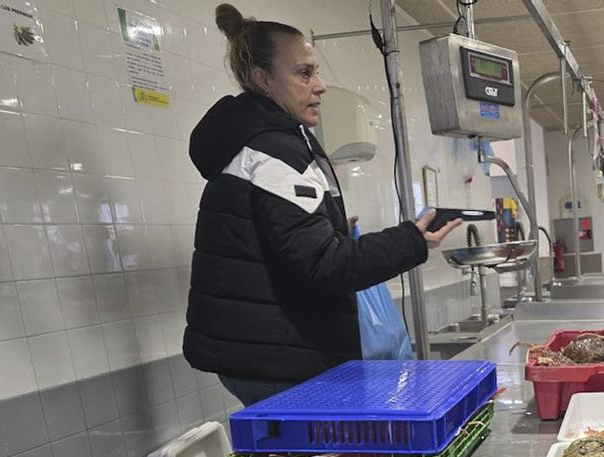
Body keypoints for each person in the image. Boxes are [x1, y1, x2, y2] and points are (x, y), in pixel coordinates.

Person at [183, 4, 462, 406]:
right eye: (304, 73)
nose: (320, 85)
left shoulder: (262, 142)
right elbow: (326, 266)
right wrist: (411, 240)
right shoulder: (272, 152)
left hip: (262, 351)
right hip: (275, 356)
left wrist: (326, 229)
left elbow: (283, 242)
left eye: (315, 71)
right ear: (263, 79)